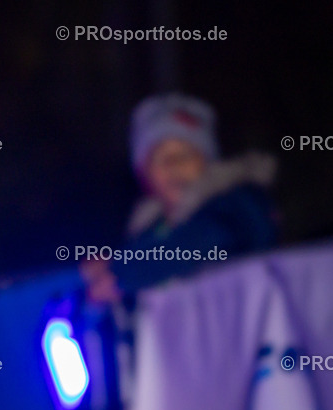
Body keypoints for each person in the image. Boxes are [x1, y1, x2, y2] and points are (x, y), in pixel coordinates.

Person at [81, 92, 278, 304]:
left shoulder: (239, 203)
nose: (174, 165)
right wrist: (104, 273)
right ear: (143, 173)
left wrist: (120, 270)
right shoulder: (149, 231)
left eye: (187, 154)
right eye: (161, 157)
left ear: (208, 162)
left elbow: (202, 240)